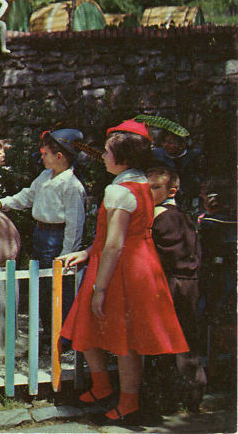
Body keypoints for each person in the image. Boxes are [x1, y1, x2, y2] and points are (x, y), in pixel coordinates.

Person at [58, 120, 189, 426]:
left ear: (123, 158)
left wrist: (99, 289)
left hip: (122, 269)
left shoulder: (120, 192)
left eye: (106, 152)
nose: (101, 156)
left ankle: (128, 402)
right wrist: (89, 251)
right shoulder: (138, 183)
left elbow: (116, 244)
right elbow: (110, 235)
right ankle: (103, 386)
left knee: (126, 339)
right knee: (88, 326)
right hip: (125, 262)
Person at [0, 129, 86, 335]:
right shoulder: (46, 175)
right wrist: (3, 203)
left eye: (45, 153)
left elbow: (75, 224)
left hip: (57, 238)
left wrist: (66, 254)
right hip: (41, 235)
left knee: (58, 286)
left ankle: (62, 335)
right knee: (43, 287)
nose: (41, 156)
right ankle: (49, 331)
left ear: (59, 156)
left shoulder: (72, 185)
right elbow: (28, 196)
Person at [143, 166, 206, 412]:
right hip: (187, 283)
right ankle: (189, 396)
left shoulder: (162, 216)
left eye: (155, 188)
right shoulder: (182, 216)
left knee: (167, 340)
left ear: (172, 190)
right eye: (147, 188)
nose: (149, 192)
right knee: (185, 339)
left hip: (172, 283)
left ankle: (167, 398)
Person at [197, 176, 236, 378]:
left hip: (217, 277)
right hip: (228, 275)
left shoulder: (209, 223)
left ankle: (213, 369)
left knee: (214, 319)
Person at [151, 131, 203, 213]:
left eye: (170, 143)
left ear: (182, 145)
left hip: (186, 196)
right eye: (164, 142)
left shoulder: (193, 157)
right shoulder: (157, 155)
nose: (165, 145)